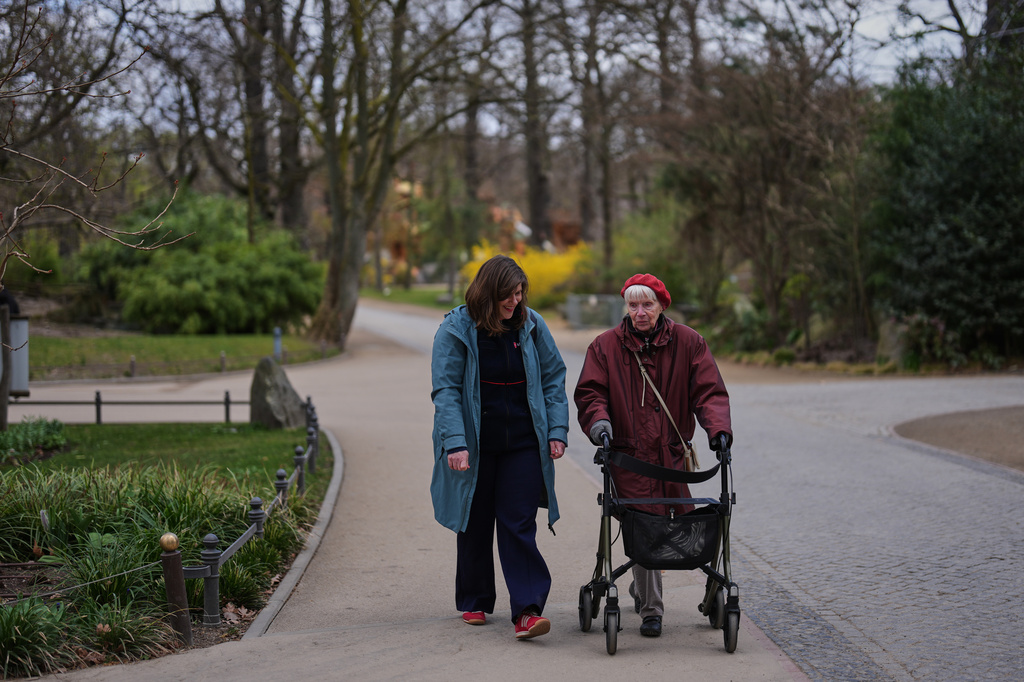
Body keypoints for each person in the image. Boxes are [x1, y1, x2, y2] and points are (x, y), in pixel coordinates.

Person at [573, 273, 732, 638]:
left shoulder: (690, 343)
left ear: (662, 306)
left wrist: (718, 430)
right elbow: (590, 394)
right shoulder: (605, 347)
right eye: (633, 305)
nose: (640, 313)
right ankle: (652, 610)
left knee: (678, 526)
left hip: (673, 459)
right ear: (625, 307)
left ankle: (645, 588)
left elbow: (709, 393)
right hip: (629, 459)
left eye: (647, 305)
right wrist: (600, 424)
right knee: (645, 524)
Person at [430, 254, 569, 640]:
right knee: (474, 522)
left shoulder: (532, 325)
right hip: (474, 444)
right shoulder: (456, 329)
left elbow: (554, 377)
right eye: (507, 295)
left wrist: (557, 430)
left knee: (519, 522)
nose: (515, 302)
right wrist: (455, 443)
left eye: (520, 293)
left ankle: (527, 610)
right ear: (487, 292)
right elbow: (446, 392)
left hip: (523, 442)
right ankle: (474, 596)